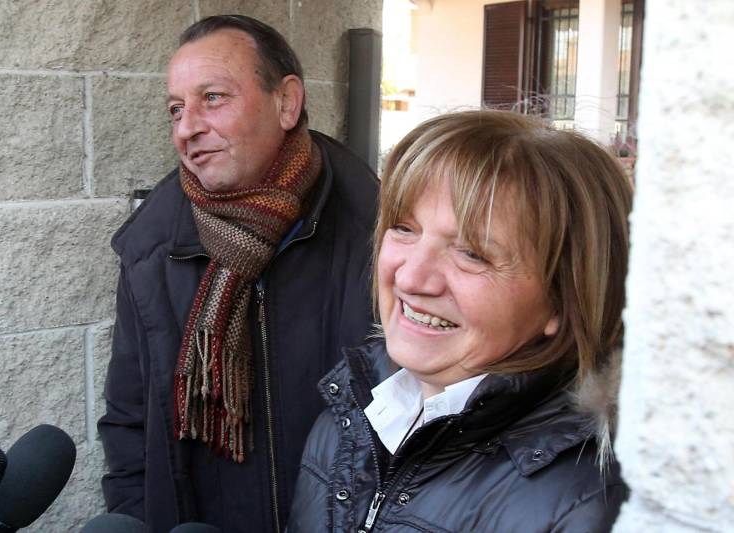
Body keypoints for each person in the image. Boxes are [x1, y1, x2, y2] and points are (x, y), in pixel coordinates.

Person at [98, 15, 378, 533]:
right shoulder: (151, 249)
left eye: (213, 98)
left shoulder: (382, 237)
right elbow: (129, 422)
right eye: (176, 109)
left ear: (286, 102)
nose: (187, 128)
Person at [288, 110, 632, 532]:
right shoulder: (351, 417)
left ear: (564, 299)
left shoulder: (588, 502)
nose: (411, 278)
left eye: (472, 254)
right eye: (404, 228)